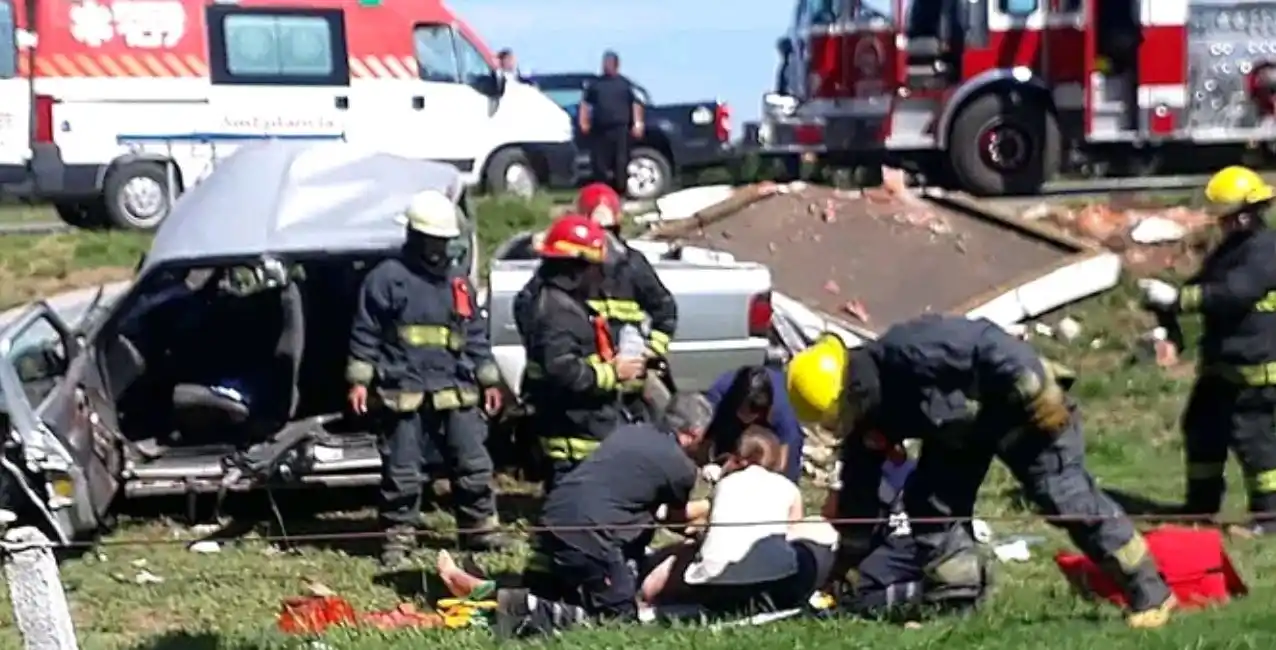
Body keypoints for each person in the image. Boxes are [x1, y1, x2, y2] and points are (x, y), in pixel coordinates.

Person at [784, 314, 1176, 628]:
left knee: (1063, 496)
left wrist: (1040, 391)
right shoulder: (866, 420)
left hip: (1020, 410)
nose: (842, 427)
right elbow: (860, 502)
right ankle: (957, 605)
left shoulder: (909, 348)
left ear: (851, 390)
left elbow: (989, 342)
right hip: (960, 433)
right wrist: (845, 569)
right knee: (930, 507)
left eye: (839, 417)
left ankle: (1150, 592)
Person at [346, 190, 512, 566]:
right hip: (402, 387)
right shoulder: (386, 279)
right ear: (415, 237)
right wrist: (359, 379)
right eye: (433, 241)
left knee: (472, 462)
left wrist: (489, 380)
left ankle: (479, 529)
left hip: (455, 387)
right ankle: (399, 536)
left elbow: (474, 333)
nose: (439, 249)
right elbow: (366, 331)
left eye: (444, 241)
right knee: (402, 469)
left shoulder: (457, 283)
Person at [491, 393, 716, 639]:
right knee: (620, 621)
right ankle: (526, 611)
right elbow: (676, 520)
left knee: (572, 592)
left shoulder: (631, 432)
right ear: (695, 433)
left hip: (552, 519)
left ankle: (524, 599)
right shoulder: (679, 466)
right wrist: (712, 506)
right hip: (590, 537)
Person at [1138, 165, 1276, 536]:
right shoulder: (1232, 249)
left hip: (1257, 369)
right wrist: (1165, 304)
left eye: (1227, 218)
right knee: (1201, 427)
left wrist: (1179, 299)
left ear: (1246, 214)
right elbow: (1204, 284)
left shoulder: (1266, 249)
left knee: (1255, 443)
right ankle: (1200, 508)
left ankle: (1269, 520)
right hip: (1223, 367)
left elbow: (1235, 294)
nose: (1222, 225)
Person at [637, 426, 838, 618]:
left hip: (714, 588)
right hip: (774, 585)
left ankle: (649, 592)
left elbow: (708, 531)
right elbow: (792, 533)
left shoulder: (724, 485)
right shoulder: (788, 488)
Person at [520, 214, 647, 492]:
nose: (600, 276)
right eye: (594, 268)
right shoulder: (556, 313)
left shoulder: (563, 301)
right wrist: (613, 372)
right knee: (573, 492)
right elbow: (562, 370)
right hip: (570, 426)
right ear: (575, 268)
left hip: (583, 418)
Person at [705, 365, 805, 483]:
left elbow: (781, 465)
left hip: (774, 423)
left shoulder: (782, 412)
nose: (747, 419)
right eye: (744, 411)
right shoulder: (718, 393)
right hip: (729, 416)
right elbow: (702, 438)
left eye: (753, 414)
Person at [579, 51, 644, 196]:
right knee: (599, 163)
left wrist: (638, 123)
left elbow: (636, 104)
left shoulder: (624, 84)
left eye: (609, 62)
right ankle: (602, 192)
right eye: (604, 62)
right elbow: (585, 104)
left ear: (616, 65)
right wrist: (583, 121)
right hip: (600, 130)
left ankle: (621, 191)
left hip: (621, 128)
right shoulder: (595, 84)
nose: (606, 65)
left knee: (621, 161)